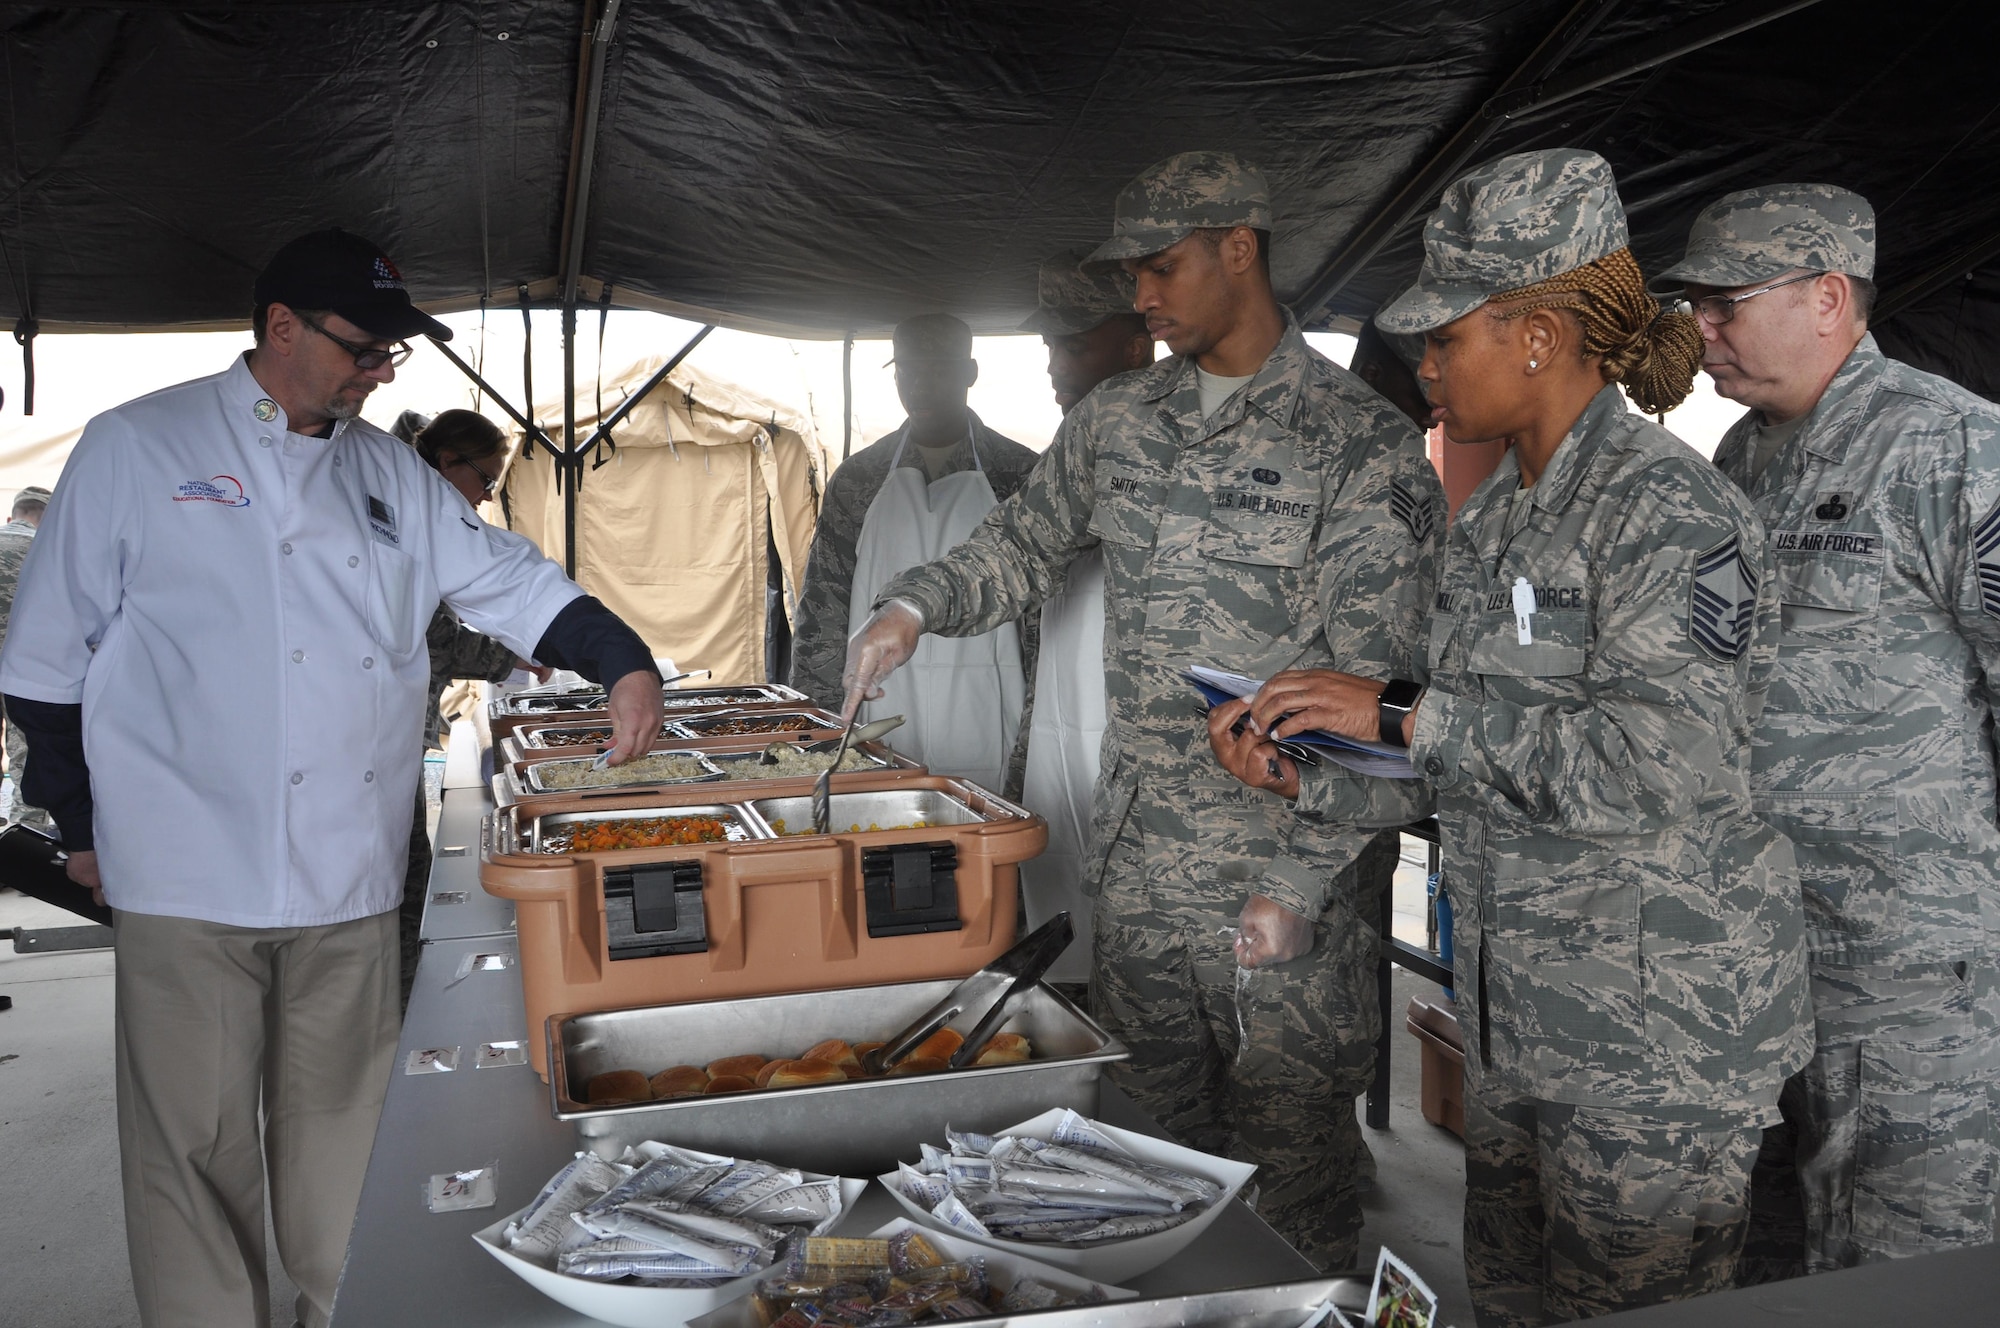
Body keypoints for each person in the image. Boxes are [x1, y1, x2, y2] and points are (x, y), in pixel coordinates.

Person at [0, 227, 664, 1328]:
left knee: (345, 1132)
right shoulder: (136, 447)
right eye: (364, 348)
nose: (379, 371)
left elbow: (503, 579)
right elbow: (41, 663)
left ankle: (342, 1308)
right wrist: (77, 824)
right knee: (193, 1147)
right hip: (182, 863)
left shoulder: (387, 469)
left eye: (392, 354)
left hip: (349, 869)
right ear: (280, 329)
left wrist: (622, 660)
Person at [1210, 149, 1812, 1324]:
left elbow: (1657, 766)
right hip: (1518, 1021)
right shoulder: (1490, 523)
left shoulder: (1667, 513)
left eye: (1444, 338)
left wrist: (1393, 708)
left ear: (1534, 335)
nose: (1421, 366)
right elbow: (1452, 756)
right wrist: (1307, 778)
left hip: (1656, 1045)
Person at [841, 150, 1441, 1269]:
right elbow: (1020, 546)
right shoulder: (1118, 421)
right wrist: (912, 611)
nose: (1142, 298)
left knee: (1292, 1186)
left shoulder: (1356, 443)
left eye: (1161, 268)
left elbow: (1379, 701)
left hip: (1282, 890)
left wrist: (1297, 884)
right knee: (1147, 1175)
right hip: (1141, 870)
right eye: (1133, 274)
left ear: (1238, 249)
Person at [1653, 185, 2000, 1278]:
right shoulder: (1737, 463)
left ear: (1825, 296)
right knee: (1774, 1249)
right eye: (1693, 310)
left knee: (1902, 1266)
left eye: (1722, 307)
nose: (1699, 335)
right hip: (1761, 947)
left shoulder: (1950, 446)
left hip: (1905, 965)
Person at [790, 313, 1042, 796]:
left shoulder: (1020, 474)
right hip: (878, 702)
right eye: (907, 371)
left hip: (991, 705)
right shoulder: (859, 480)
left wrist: (1036, 734)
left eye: (937, 370)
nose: (921, 386)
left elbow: (1043, 624)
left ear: (969, 373)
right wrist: (818, 731)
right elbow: (823, 613)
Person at [1012, 249, 1155, 984]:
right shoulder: (1054, 466)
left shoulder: (1185, 462)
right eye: (1048, 348)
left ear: (1135, 346)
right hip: (1062, 752)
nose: (1053, 367)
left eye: (1072, 345)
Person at [397, 408, 552, 1011]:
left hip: (396, 730)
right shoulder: (414, 521)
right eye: (485, 479)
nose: (488, 496)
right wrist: (514, 657)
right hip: (383, 739)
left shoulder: (423, 518)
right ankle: (407, 1011)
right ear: (446, 464)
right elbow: (437, 638)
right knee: (406, 885)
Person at [0, 485, 49, 826]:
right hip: (22, 671)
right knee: (27, 754)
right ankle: (21, 841)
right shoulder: (46, 551)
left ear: (11, 516)